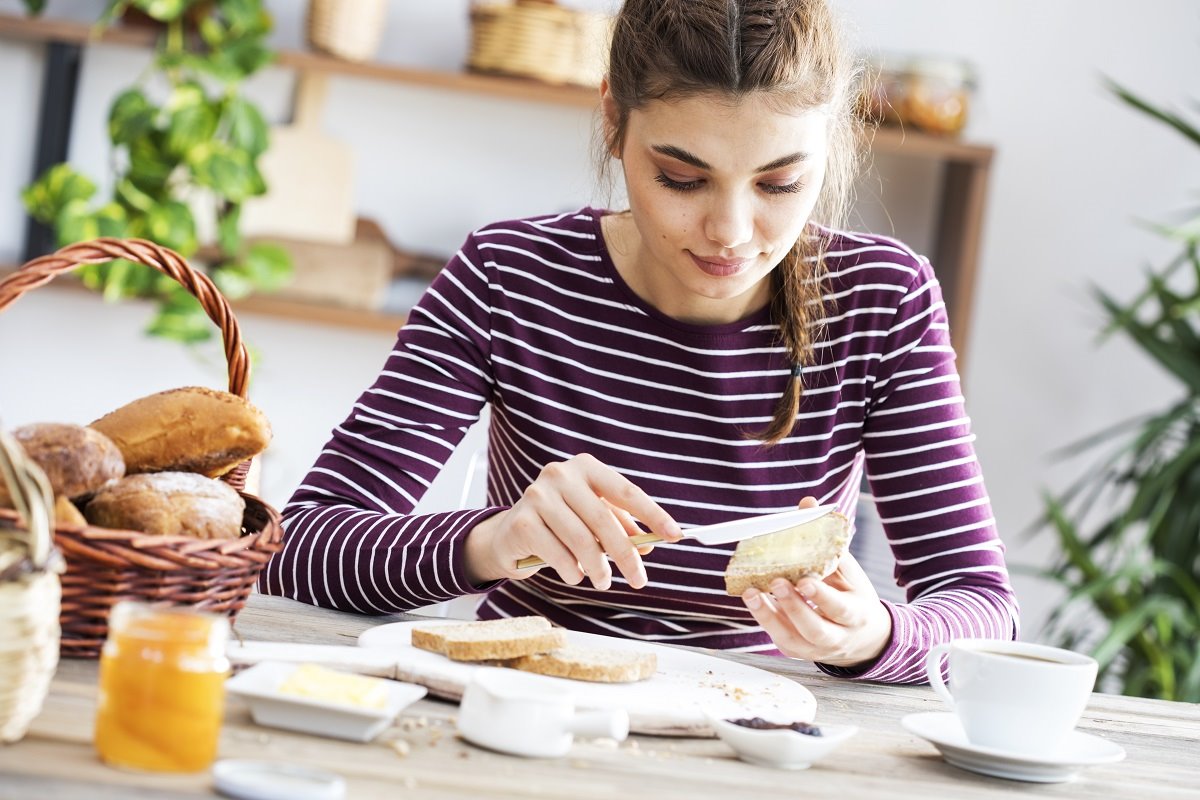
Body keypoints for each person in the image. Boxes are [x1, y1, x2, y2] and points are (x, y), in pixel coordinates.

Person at [260, 0, 1018, 683]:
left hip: (757, 734)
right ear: (613, 123)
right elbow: (299, 548)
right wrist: (494, 541)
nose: (730, 232)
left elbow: (983, 609)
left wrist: (875, 635)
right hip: (527, 704)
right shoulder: (508, 276)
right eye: (682, 179)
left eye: (779, 185)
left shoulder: (883, 300)